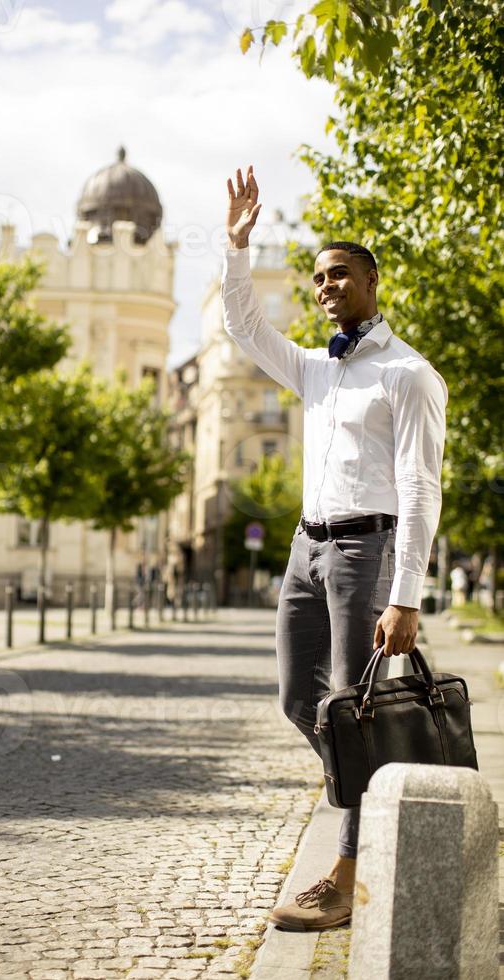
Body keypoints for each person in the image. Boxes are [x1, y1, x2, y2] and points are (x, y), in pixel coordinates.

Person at [222, 165, 447, 930]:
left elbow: (421, 489)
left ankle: (348, 879)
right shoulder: (316, 370)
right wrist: (237, 249)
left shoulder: (408, 375)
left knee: (354, 712)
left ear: (372, 283)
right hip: (302, 551)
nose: (326, 287)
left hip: (365, 554)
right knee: (301, 701)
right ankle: (388, 803)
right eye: (318, 277)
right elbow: (246, 330)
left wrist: (406, 595)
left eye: (340, 274)